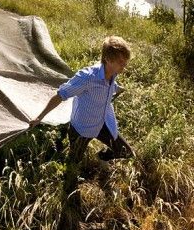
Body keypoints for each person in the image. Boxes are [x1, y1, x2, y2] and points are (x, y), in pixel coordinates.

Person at [29, 36, 135, 195]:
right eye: (121, 62)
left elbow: (108, 88)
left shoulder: (113, 74)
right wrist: (40, 117)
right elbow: (60, 95)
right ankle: (68, 198)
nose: (124, 66)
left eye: (125, 62)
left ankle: (102, 158)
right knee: (72, 169)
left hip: (102, 124)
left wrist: (117, 89)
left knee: (127, 153)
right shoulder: (87, 77)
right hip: (81, 130)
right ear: (107, 59)